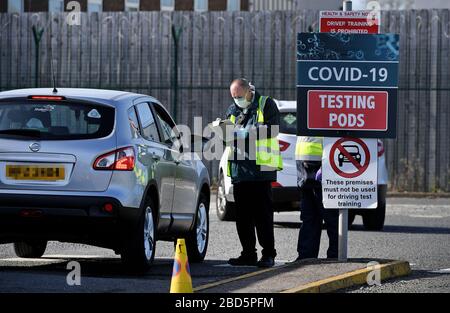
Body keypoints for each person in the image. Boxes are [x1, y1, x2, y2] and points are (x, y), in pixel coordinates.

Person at [225, 78, 282, 268]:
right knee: (242, 217)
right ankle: (248, 253)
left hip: (260, 170)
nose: (236, 100)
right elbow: (227, 134)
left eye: (239, 96)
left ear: (249, 91)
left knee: (263, 216)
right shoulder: (233, 109)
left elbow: (272, 130)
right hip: (240, 170)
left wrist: (243, 133)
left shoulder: (266, 104)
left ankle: (268, 254)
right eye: (234, 97)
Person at [295, 136, 339, 260]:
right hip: (305, 168)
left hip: (321, 166)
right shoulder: (305, 116)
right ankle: (306, 257)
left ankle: (336, 256)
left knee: (331, 217)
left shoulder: (320, 116)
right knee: (309, 217)